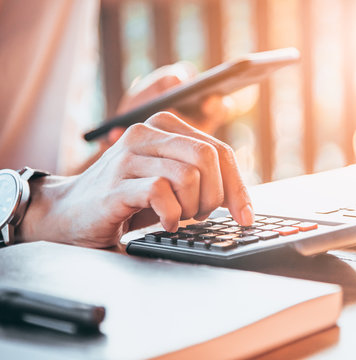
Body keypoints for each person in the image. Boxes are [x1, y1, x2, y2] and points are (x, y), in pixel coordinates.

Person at [0, 0, 254, 248]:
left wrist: (118, 157)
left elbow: (59, 180)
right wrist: (44, 209)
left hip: (57, 249)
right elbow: (55, 203)